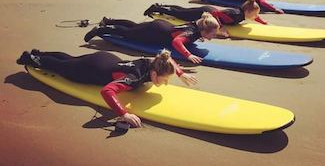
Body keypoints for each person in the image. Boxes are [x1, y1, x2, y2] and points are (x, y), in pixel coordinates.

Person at [17, 49, 197, 128]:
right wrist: (123, 113)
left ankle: (39, 52)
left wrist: (181, 73)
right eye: (165, 80)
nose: (165, 84)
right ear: (155, 75)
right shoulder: (134, 78)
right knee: (63, 68)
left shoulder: (154, 61)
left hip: (106, 58)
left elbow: (168, 60)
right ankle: (30, 58)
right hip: (92, 70)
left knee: (71, 59)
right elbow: (107, 91)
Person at [84, 14, 220, 64]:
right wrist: (188, 55)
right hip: (155, 32)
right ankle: (101, 30)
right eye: (213, 34)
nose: (213, 37)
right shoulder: (192, 33)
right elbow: (176, 42)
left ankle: (109, 20)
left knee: (135, 26)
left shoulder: (199, 23)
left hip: (162, 25)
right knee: (128, 34)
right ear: (204, 31)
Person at [143, 0, 266, 38]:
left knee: (183, 11)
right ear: (248, 11)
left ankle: (161, 7)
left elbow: (255, 17)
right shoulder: (236, 15)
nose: (255, 17)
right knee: (181, 14)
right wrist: (221, 29)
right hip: (205, 12)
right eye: (255, 15)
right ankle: (158, 8)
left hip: (208, 11)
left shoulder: (243, 13)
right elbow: (217, 14)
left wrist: (263, 22)